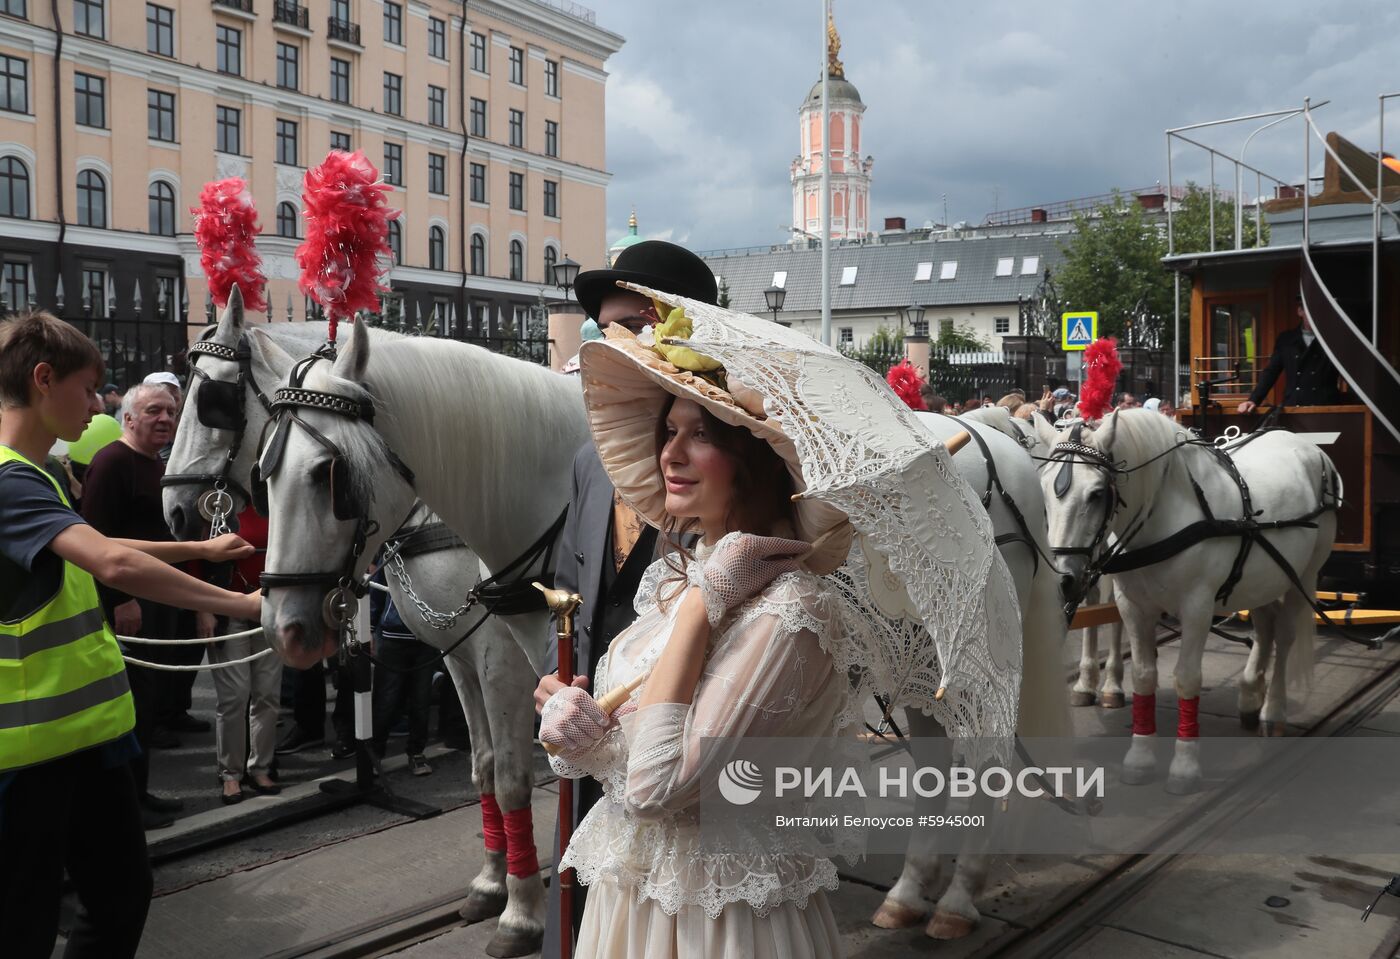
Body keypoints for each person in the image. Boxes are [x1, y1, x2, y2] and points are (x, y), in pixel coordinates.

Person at [539, 322, 850, 958]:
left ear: (754, 461)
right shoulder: (673, 578)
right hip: (633, 898)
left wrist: (702, 610)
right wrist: (577, 724)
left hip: (721, 919)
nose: (671, 454)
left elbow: (657, 789)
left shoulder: (792, 609)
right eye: (669, 431)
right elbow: (626, 743)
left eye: (701, 434)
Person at [0, 310, 259, 959]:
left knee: (118, 895)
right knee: (28, 925)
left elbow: (98, 546)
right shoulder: (8, 478)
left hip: (81, 742)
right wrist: (244, 603)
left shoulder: (39, 475)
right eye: (89, 389)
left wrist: (197, 545)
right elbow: (112, 564)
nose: (98, 406)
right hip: (31, 756)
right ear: (42, 379)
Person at [533, 240, 718, 952]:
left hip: (688, 774)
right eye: (603, 332)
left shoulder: (735, 468)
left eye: (637, 327)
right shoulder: (589, 462)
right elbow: (571, 601)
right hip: (596, 758)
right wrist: (552, 686)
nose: (614, 347)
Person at [81, 384, 208, 826]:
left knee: (146, 704)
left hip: (158, 603)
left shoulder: (156, 464)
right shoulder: (112, 462)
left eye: (171, 412)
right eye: (154, 410)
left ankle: (141, 793)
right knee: (130, 706)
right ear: (129, 418)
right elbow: (96, 539)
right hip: (131, 606)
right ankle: (125, 805)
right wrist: (123, 599)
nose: (166, 419)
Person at [209, 505, 281, 804]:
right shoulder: (218, 505)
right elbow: (198, 560)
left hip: (270, 608)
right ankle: (230, 774)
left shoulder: (277, 502)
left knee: (267, 694)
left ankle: (260, 767)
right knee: (234, 697)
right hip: (229, 610)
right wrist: (203, 610)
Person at [370, 578, 436, 777]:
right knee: (385, 701)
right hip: (392, 638)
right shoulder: (391, 549)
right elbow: (376, 591)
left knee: (421, 701)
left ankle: (416, 751)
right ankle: (375, 753)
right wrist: (371, 629)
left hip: (425, 638)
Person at [1237, 298, 1344, 414]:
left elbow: (1350, 369)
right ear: (1300, 311)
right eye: (1310, 310)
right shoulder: (1286, 339)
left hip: (1326, 408)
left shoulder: (1334, 340)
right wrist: (1253, 400)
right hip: (1293, 408)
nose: (1315, 316)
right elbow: (1271, 372)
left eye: (1320, 311)